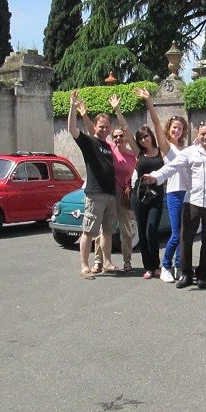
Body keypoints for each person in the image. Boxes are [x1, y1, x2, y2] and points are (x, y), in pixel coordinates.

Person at [142, 121, 206, 290]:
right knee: (185, 239)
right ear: (197, 134)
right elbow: (171, 167)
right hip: (192, 202)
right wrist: (155, 177)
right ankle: (186, 274)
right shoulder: (189, 152)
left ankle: (202, 275)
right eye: (202, 133)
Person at [77, 94, 138, 274]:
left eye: (121, 136)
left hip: (123, 194)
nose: (118, 139)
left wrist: (117, 109)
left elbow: (125, 127)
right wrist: (84, 114)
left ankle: (127, 261)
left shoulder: (132, 154)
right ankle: (98, 261)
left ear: (126, 138)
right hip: (108, 192)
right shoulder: (108, 147)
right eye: (115, 136)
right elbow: (93, 133)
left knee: (125, 230)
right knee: (103, 230)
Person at [135, 88, 189, 283]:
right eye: (174, 127)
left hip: (189, 194)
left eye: (180, 128)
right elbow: (156, 123)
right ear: (169, 129)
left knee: (185, 234)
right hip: (174, 193)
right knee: (176, 234)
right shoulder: (166, 147)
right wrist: (149, 101)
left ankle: (179, 266)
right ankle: (165, 265)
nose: (177, 130)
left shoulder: (187, 148)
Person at [67, 90, 118, 279]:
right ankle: (84, 266)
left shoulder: (107, 146)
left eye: (107, 127)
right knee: (88, 231)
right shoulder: (89, 142)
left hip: (110, 194)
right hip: (95, 194)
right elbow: (72, 129)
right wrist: (73, 108)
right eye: (101, 126)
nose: (104, 129)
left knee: (108, 232)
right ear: (94, 127)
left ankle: (107, 262)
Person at [131, 125, 166, 279]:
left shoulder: (161, 152)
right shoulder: (139, 154)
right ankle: (148, 268)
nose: (144, 140)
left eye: (146, 136)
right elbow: (126, 127)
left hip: (156, 197)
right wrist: (117, 111)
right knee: (142, 232)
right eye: (140, 138)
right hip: (140, 196)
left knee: (151, 230)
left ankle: (156, 265)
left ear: (151, 136)